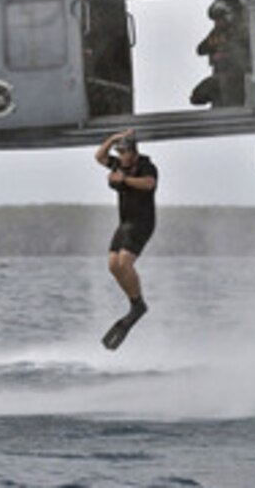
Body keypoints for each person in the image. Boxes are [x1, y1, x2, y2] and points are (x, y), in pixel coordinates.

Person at [95, 128, 158, 350]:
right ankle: (135, 304)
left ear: (133, 152)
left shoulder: (146, 166)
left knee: (124, 262)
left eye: (124, 152)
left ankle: (138, 304)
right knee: (113, 265)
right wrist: (112, 138)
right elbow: (99, 157)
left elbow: (149, 183)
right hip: (124, 223)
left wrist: (124, 180)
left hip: (142, 223)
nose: (121, 156)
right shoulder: (117, 164)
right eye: (119, 152)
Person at [190, 0, 249, 107]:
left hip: (239, 78)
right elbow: (201, 49)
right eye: (216, 20)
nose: (217, 23)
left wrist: (226, 54)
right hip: (222, 74)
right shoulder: (217, 32)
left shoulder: (243, 31)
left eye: (219, 19)